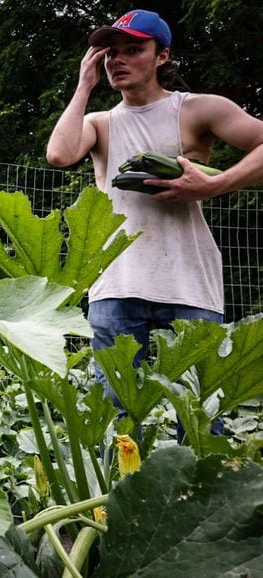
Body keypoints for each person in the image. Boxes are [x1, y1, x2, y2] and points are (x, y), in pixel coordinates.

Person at [45, 9, 263, 429]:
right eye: (111, 52)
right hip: (116, 284)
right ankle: (117, 497)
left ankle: (202, 495)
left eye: (133, 50)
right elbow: (59, 154)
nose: (118, 60)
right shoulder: (99, 123)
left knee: (200, 420)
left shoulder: (199, 110)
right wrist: (83, 85)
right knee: (116, 420)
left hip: (189, 285)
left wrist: (216, 185)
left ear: (162, 56)